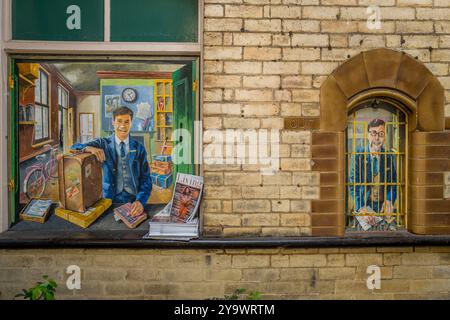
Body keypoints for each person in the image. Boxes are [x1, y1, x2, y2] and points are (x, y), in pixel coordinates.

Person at [71, 106, 152, 217]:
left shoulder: (139, 148)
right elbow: (73, 147)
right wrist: (88, 148)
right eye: (119, 121)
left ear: (131, 123)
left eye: (127, 121)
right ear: (113, 122)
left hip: (134, 199)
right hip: (109, 199)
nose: (123, 125)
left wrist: (140, 201)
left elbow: (146, 179)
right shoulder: (103, 143)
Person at [348, 118, 397, 231]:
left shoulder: (388, 156)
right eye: (373, 133)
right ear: (368, 135)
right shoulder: (359, 154)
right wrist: (362, 208)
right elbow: (353, 185)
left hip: (382, 206)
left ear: (385, 136)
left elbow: (394, 183)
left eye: (381, 134)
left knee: (391, 232)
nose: (377, 138)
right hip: (364, 204)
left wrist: (389, 200)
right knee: (363, 233)